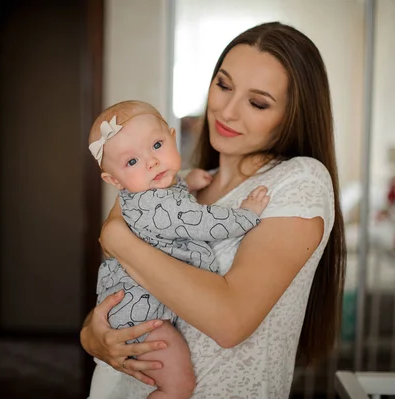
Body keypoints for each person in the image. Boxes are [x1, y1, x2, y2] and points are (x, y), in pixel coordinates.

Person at [80, 21, 346, 398]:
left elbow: (229, 321)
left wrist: (114, 234)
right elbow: (123, 285)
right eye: (223, 85)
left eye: (257, 102)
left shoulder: (298, 180)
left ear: (293, 114)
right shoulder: (179, 183)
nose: (227, 111)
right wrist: (92, 335)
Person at [87, 100, 271, 398]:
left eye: (157, 145)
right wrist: (246, 215)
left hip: (130, 308)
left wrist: (187, 179)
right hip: (142, 320)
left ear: (172, 137)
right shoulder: (155, 202)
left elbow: (171, 193)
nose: (151, 162)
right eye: (131, 162)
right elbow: (201, 221)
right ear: (113, 180)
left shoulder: (148, 192)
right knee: (179, 385)